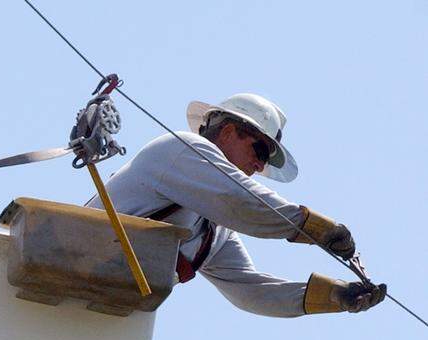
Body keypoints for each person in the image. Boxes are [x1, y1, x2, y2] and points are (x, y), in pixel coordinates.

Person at [87, 93, 385, 316]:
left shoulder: (215, 231)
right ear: (229, 131)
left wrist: (334, 296)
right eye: (259, 150)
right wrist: (319, 229)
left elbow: (250, 290)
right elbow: (243, 202)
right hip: (70, 260)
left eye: (265, 161)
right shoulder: (181, 150)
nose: (259, 165)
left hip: (106, 298)